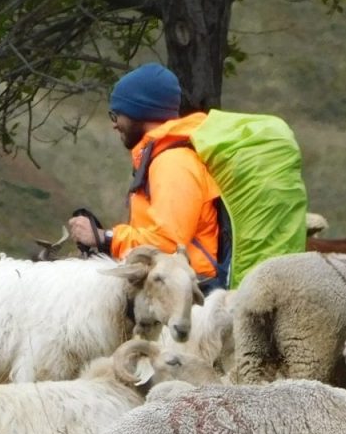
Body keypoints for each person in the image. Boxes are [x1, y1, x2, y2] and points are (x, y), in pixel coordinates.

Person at [66, 63, 226, 287]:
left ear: (140, 111)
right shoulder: (162, 159)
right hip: (174, 287)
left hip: (191, 294)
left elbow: (168, 245)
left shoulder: (173, 163)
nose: (115, 125)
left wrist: (105, 238)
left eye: (117, 115)